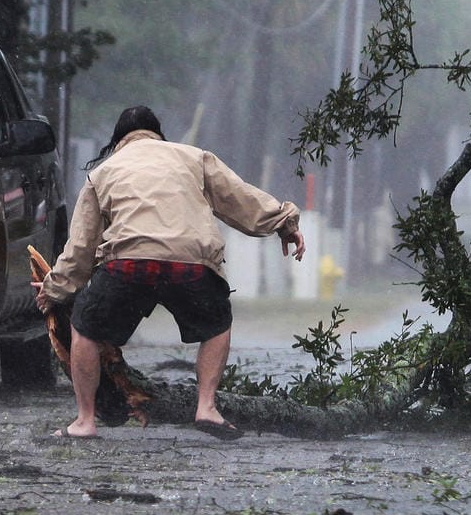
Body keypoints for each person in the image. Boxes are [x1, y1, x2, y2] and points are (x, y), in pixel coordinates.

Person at [33, 105, 307, 439]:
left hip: (127, 264)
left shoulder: (103, 173)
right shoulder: (194, 158)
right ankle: (206, 406)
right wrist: (284, 223)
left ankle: (85, 420)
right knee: (216, 325)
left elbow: (81, 248)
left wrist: (55, 289)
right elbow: (241, 198)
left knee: (84, 328)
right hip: (190, 264)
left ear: (118, 141)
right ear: (159, 135)